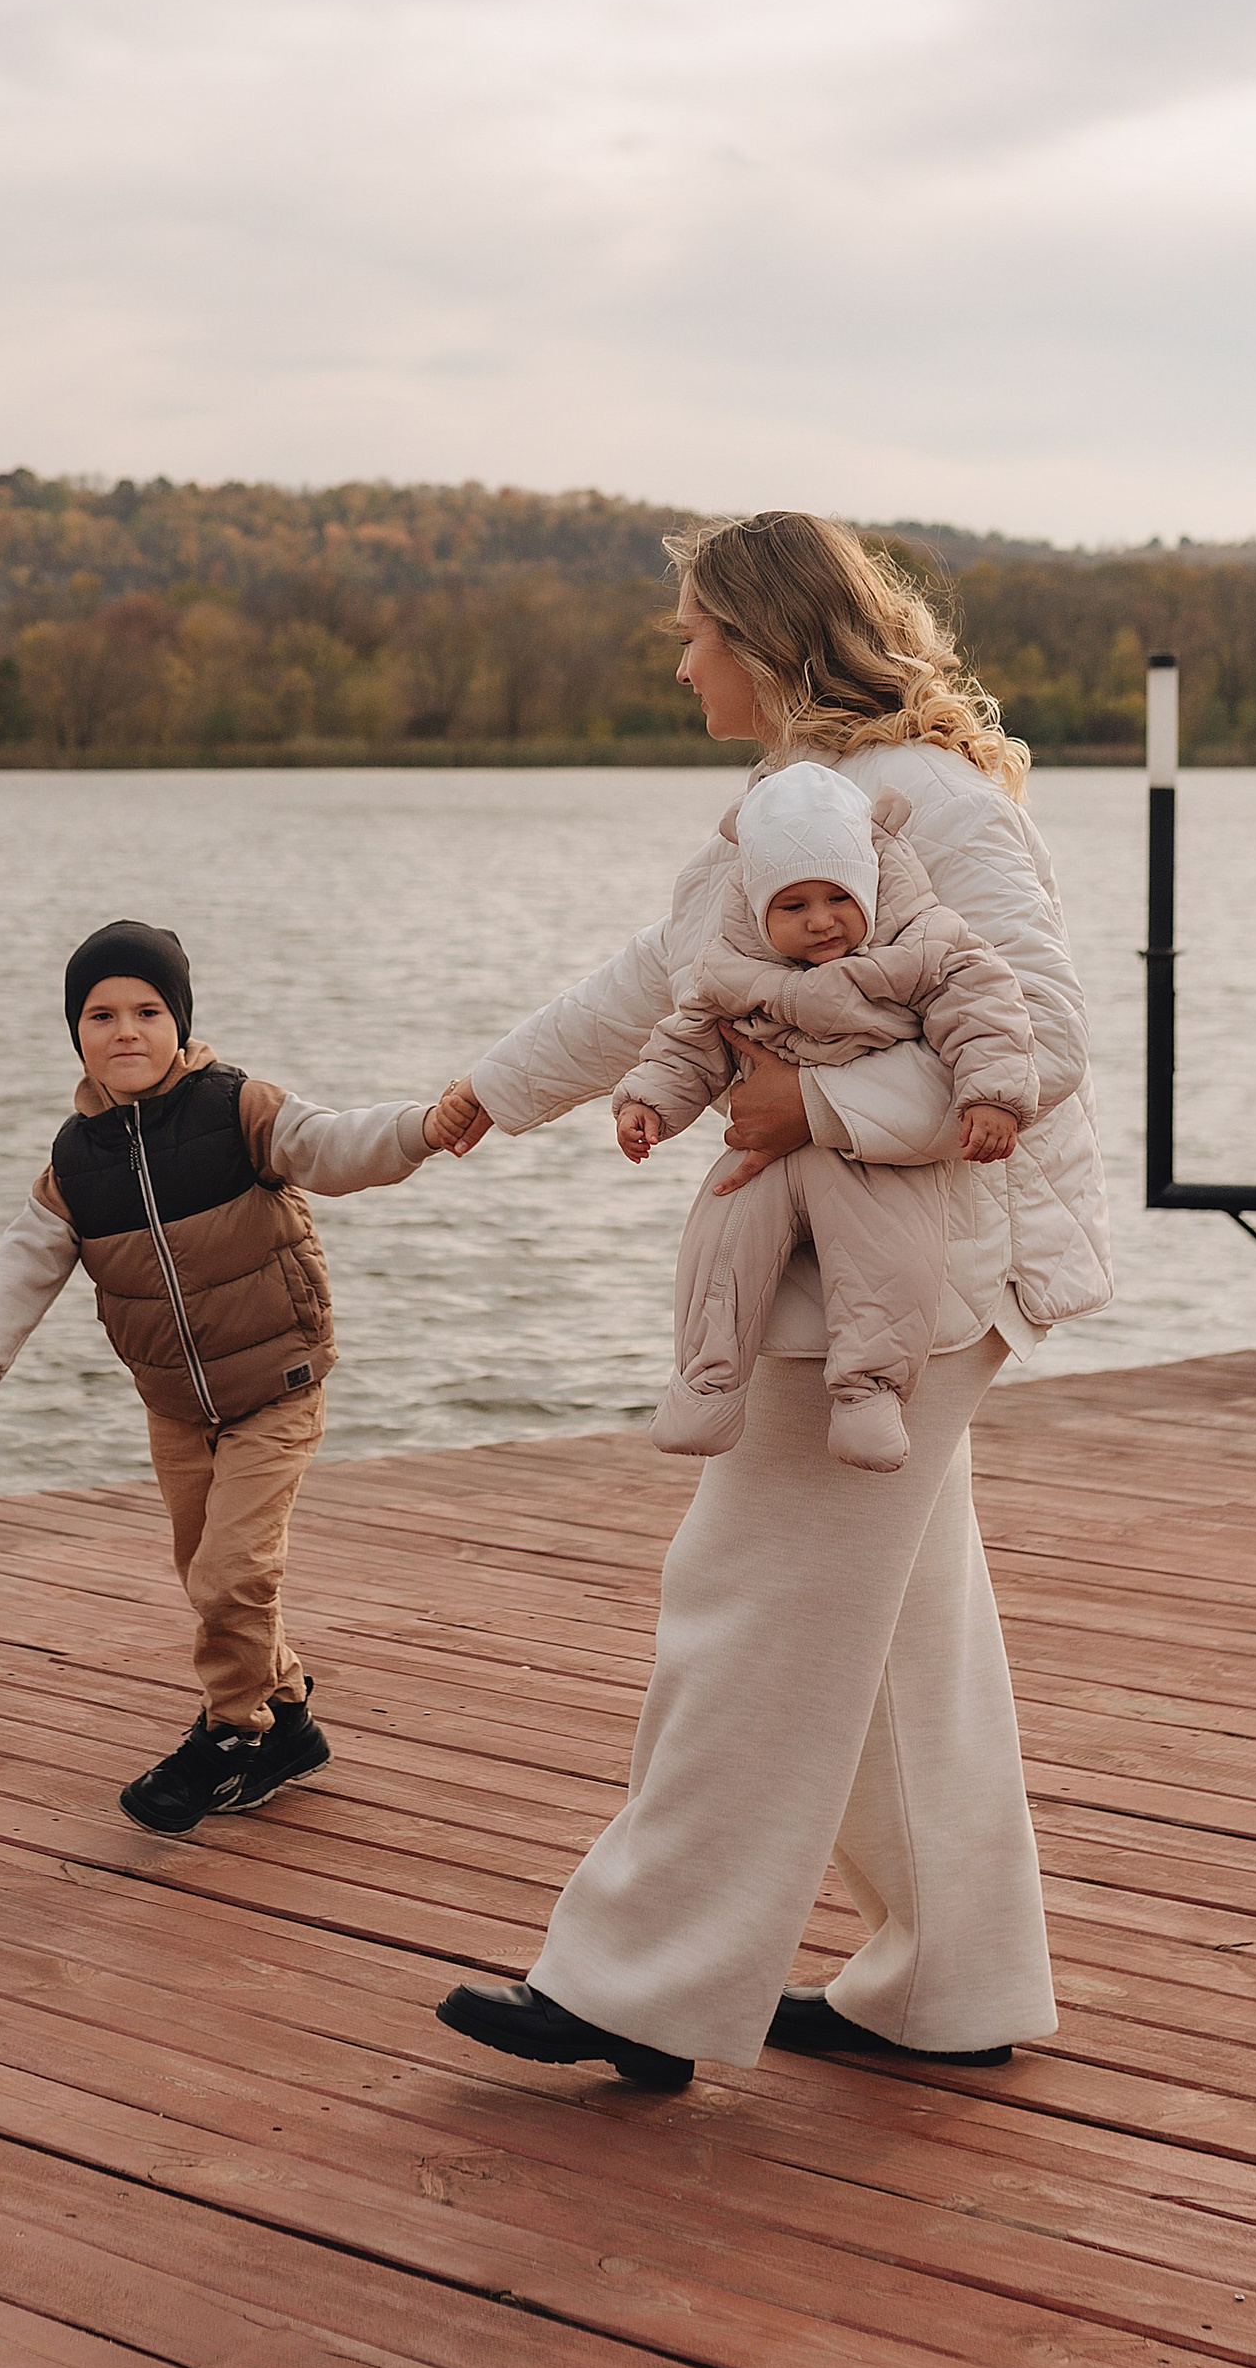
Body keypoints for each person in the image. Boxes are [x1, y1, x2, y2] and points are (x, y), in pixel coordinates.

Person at [425, 510, 1110, 2094]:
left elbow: (1043, 1036)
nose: (678, 662)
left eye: (692, 633)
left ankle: (637, 1986)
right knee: (899, 1646)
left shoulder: (929, 799)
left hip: (904, 1271)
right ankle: (948, 1981)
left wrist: (822, 1113)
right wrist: (488, 1094)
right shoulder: (795, 811)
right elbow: (653, 976)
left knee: (737, 1604)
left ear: (763, 639)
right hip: (881, 1266)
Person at [0, 916, 443, 1836]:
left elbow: (334, 1145)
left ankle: (231, 1737)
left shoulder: (236, 1108)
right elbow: (25, 1267)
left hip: (276, 1387)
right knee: (206, 1572)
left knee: (232, 1576)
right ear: (74, 1032)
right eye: (100, 1014)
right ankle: (288, 1716)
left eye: (147, 1010)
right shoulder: (74, 1164)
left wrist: (424, 1127)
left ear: (181, 1021)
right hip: (176, 1409)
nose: (125, 1030)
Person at [614, 758, 1038, 1469]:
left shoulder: (925, 947)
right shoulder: (731, 971)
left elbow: (988, 1013)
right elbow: (688, 1043)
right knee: (722, 1237)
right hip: (765, 1153)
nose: (820, 922)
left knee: (889, 1256)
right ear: (757, 910)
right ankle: (706, 1383)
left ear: (868, 885)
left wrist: (991, 1094)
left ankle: (868, 1394)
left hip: (871, 1149)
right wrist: (647, 1101)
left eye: (838, 897)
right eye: (793, 906)